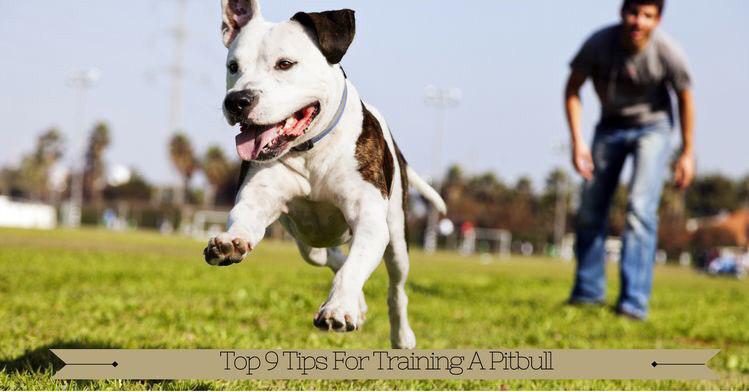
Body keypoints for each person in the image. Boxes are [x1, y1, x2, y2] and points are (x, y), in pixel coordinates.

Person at [563, 0, 695, 320]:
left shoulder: (668, 52)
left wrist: (687, 153)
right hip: (609, 127)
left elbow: (685, 98)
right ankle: (588, 293)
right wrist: (578, 141)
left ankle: (633, 302)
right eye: (633, 12)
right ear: (622, 13)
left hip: (654, 129)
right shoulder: (599, 44)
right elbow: (572, 90)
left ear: (658, 19)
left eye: (647, 15)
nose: (639, 21)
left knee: (639, 208)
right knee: (592, 207)